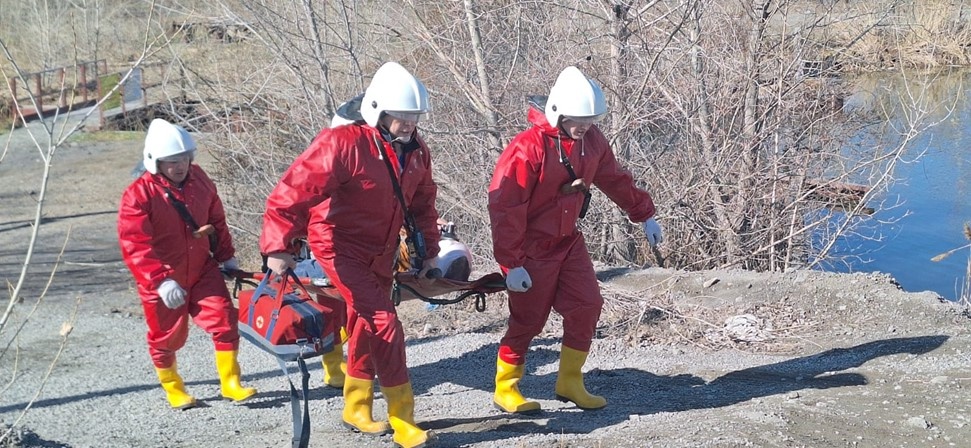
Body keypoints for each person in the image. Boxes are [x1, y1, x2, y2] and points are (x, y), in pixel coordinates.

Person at [260, 62, 440, 448]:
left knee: (363, 322)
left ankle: (356, 407)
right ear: (378, 111)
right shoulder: (343, 144)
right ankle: (403, 418)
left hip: (383, 248)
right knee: (384, 321)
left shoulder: (416, 151)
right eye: (400, 116)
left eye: (414, 116)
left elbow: (424, 204)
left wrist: (430, 252)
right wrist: (278, 245)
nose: (408, 123)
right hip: (337, 245)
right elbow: (292, 191)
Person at [487, 66, 664, 414]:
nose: (585, 125)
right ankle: (506, 387)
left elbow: (614, 178)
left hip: (568, 242)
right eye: (578, 119)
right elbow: (506, 207)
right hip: (531, 248)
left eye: (591, 118)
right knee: (529, 320)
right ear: (558, 113)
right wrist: (511, 263)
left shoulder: (592, 141)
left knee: (587, 306)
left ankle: (570, 381)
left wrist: (644, 213)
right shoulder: (528, 148)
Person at [118, 118, 257, 410]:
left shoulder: (200, 180)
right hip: (163, 277)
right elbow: (135, 245)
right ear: (155, 162)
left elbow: (216, 220)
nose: (180, 166)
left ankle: (230, 382)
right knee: (165, 337)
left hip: (201, 268)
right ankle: (174, 388)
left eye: (184, 159)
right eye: (172, 161)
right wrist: (159, 280)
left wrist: (226, 256)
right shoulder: (138, 195)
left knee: (224, 319)